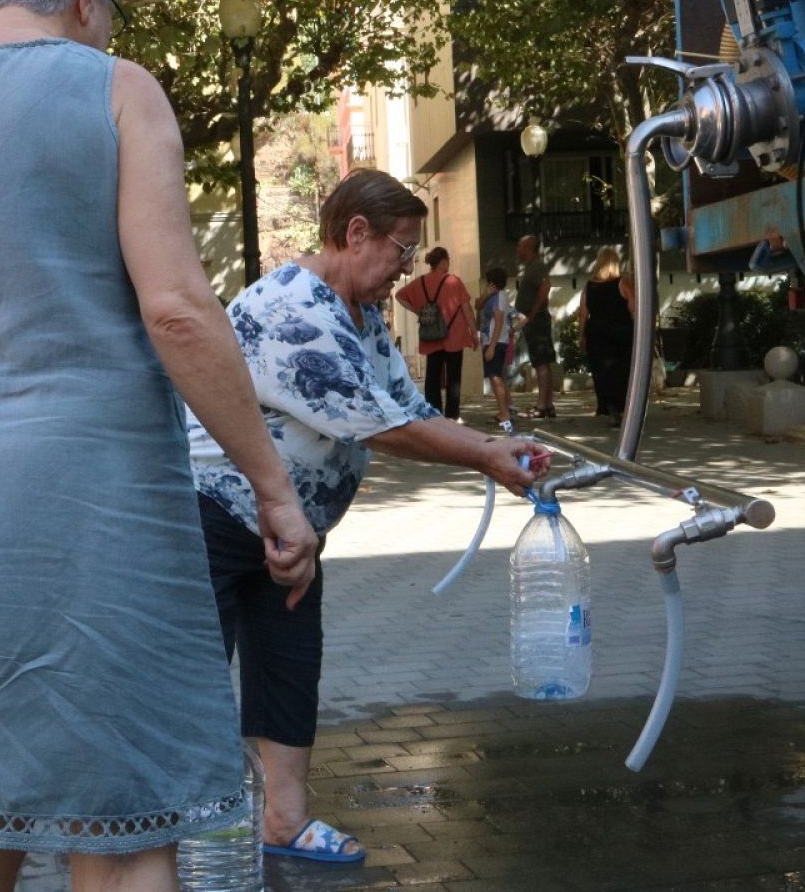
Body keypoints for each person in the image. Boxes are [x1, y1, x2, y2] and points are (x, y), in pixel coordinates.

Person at [0, 0, 319, 890]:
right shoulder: (118, 91)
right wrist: (271, 485)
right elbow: (175, 308)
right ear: (87, 1)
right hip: (92, 509)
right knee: (122, 819)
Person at [187, 168, 550, 866]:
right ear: (356, 234)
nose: (405, 269)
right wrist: (483, 457)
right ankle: (175, 842)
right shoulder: (292, 308)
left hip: (291, 526)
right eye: (401, 251)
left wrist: (493, 443)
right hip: (212, 515)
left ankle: (284, 823)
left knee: (291, 666)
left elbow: (408, 406)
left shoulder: (362, 317)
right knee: (196, 681)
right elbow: (375, 425)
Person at [394, 247, 476, 421]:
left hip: (430, 335)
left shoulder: (421, 282)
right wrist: (474, 332)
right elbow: (466, 309)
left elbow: (399, 296)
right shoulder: (454, 281)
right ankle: (452, 415)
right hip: (454, 335)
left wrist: (418, 310)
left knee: (432, 376)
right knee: (453, 377)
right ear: (444, 261)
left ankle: (434, 414)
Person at [578, 246, 635, 426]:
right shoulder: (623, 283)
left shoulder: (589, 286)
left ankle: (609, 406)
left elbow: (583, 313)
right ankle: (622, 407)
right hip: (620, 332)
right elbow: (634, 307)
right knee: (622, 370)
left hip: (596, 332)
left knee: (601, 372)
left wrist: (581, 335)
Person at [514, 234, 556, 418]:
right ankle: (546, 404)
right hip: (534, 320)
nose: (517, 250)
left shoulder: (537, 266)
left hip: (537, 320)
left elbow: (545, 286)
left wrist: (533, 312)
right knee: (540, 362)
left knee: (541, 363)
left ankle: (543, 405)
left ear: (528, 247)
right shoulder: (532, 267)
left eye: (520, 246)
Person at [478, 265, 522, 434]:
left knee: (495, 377)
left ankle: (504, 412)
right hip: (495, 341)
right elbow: (478, 305)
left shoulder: (498, 298)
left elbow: (498, 321)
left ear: (492, 282)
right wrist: (485, 294)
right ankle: (504, 410)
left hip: (495, 342)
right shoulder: (494, 296)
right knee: (496, 376)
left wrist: (492, 346)